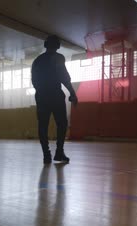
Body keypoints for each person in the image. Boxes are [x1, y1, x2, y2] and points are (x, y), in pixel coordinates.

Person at [31, 35, 78, 164]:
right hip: (55, 94)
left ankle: (46, 155)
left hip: (41, 96)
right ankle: (59, 152)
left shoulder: (37, 60)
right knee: (62, 124)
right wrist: (72, 93)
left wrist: (41, 91)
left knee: (43, 125)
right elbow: (64, 77)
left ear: (45, 45)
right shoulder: (58, 58)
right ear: (57, 46)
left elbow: (33, 80)